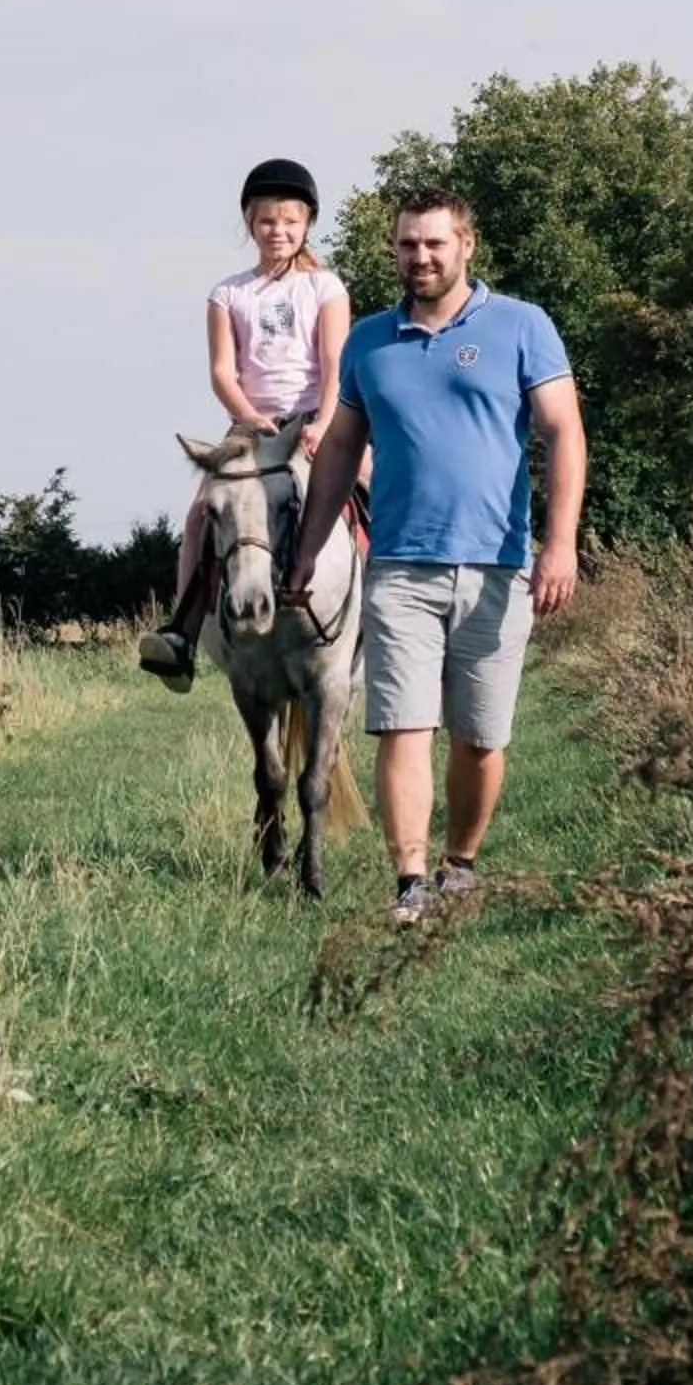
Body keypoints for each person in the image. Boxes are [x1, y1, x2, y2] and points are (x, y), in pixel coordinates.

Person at [285, 188, 586, 923]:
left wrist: (560, 544)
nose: (419, 257)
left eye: (433, 244)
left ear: (466, 247)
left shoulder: (522, 326)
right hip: (399, 567)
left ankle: (461, 863)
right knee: (403, 724)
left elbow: (563, 433)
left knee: (480, 737)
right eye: (406, 245)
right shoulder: (369, 342)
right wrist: (306, 551)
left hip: (496, 566)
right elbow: (339, 455)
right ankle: (410, 882)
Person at [137, 156, 351, 690]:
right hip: (250, 428)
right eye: (266, 221)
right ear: (250, 225)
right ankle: (182, 634)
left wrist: (322, 423)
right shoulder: (229, 293)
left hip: (316, 418)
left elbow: (335, 366)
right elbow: (222, 372)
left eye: (289, 221)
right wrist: (251, 419)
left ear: (307, 224)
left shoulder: (326, 288)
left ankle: (382, 618)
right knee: (198, 517)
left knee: (375, 488)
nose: (278, 231)